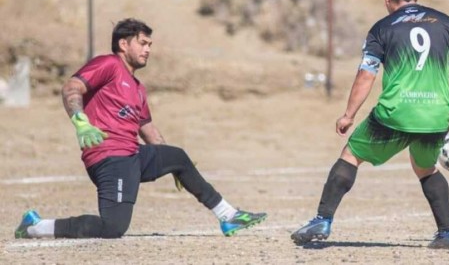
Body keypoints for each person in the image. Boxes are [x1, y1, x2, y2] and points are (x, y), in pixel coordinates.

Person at [15, 18, 267, 239]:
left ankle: (229, 215)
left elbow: (149, 131)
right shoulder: (108, 64)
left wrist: (180, 170)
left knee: (177, 156)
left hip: (132, 155)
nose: (148, 49)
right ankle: (36, 227)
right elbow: (71, 87)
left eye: (149, 45)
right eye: (143, 43)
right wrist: (80, 122)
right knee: (112, 228)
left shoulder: (137, 88)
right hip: (109, 157)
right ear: (124, 44)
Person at [290, 0, 449, 249]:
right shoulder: (443, 21)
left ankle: (322, 219)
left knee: (351, 154)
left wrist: (348, 115)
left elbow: (367, 74)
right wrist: (440, 75)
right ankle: (448, 233)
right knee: (426, 168)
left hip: (397, 112)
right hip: (436, 115)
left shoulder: (382, 28)